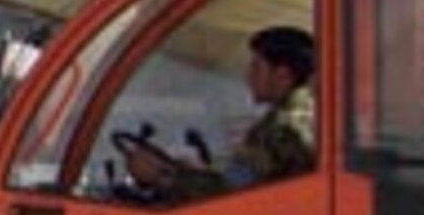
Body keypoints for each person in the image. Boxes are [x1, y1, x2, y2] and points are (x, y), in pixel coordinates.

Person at [125, 25, 317, 200]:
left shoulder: (282, 129)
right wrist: (186, 171)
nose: (248, 76)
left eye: (257, 68)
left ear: (283, 76)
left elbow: (230, 194)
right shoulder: (310, 115)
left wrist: (160, 175)